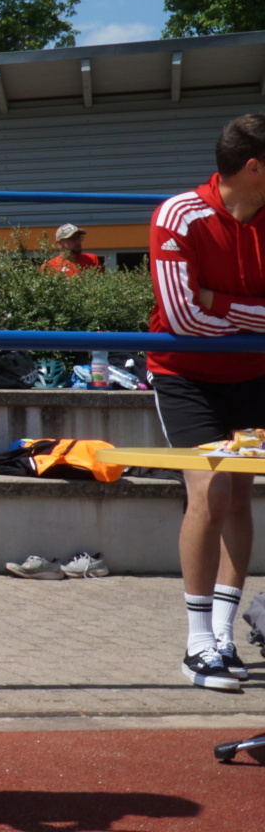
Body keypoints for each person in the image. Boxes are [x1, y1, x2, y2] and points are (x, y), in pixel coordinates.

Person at [146, 114, 265, 689]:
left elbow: (203, 308)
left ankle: (223, 636)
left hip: (255, 375)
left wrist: (220, 301)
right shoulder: (178, 214)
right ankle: (197, 643)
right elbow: (183, 318)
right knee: (211, 493)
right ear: (254, 167)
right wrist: (252, 316)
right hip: (185, 376)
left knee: (240, 497)